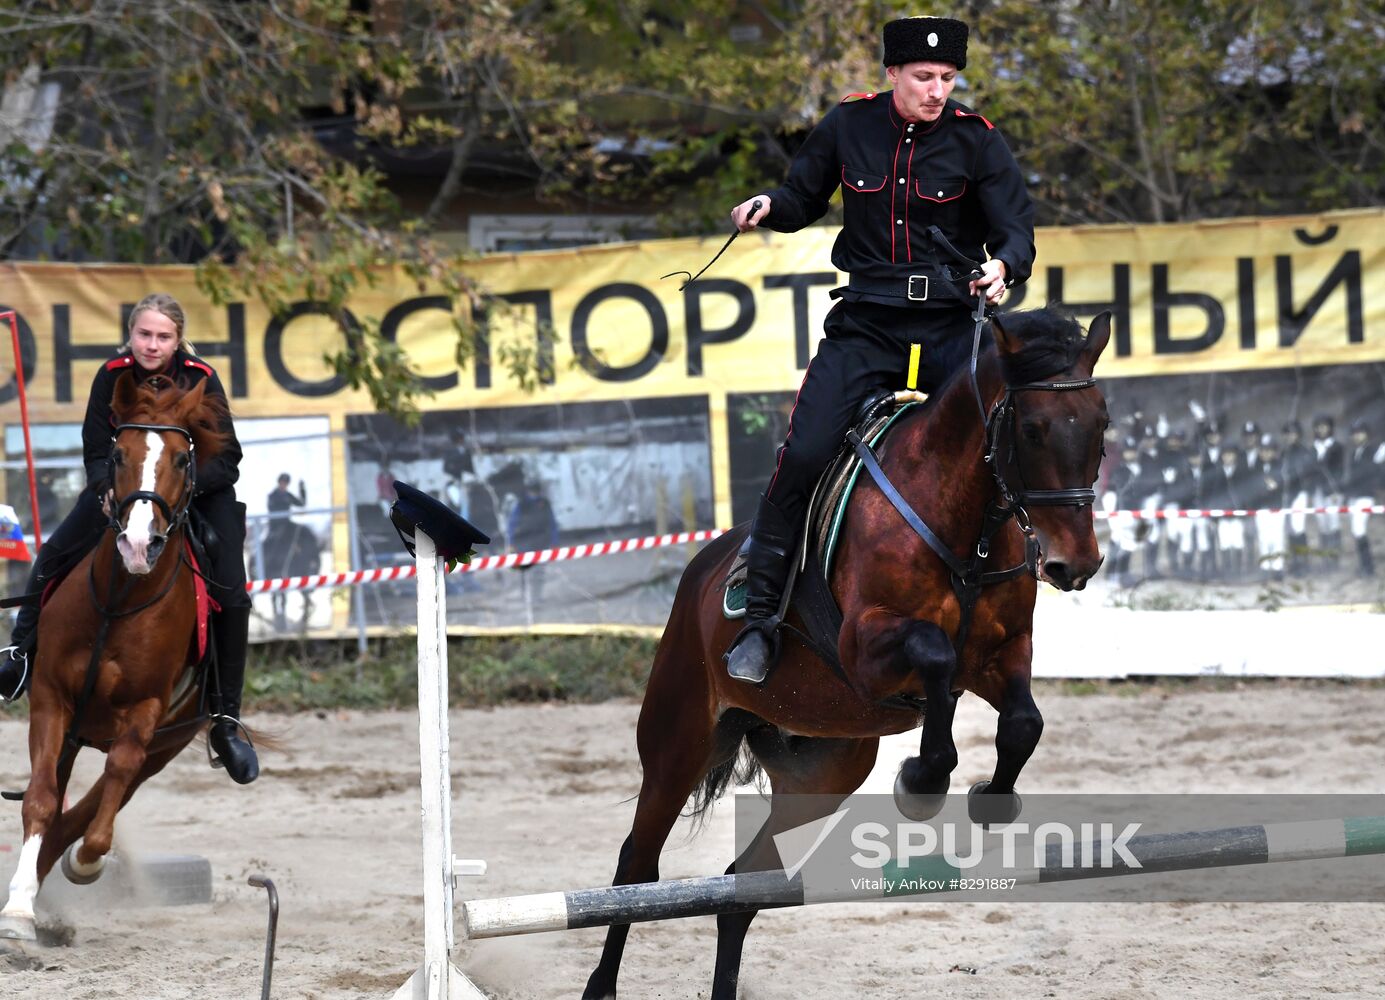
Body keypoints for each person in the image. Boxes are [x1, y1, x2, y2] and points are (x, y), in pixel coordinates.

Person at [723, 15, 1035, 682]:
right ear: (891, 73)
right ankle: (760, 618)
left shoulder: (977, 140)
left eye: (946, 78)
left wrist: (1004, 266)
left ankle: (1004, 605)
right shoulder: (847, 124)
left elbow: (1016, 230)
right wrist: (767, 205)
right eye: (923, 77)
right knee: (804, 452)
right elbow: (800, 196)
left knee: (1001, 449)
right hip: (867, 324)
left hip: (953, 324)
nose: (936, 90)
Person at [0, 293, 258, 784]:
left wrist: (179, 489)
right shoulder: (110, 374)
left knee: (233, 592)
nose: (152, 344)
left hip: (196, 491)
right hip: (121, 489)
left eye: (163, 336)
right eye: (145, 334)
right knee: (55, 552)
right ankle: (19, 655)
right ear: (131, 334)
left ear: (178, 339)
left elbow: (229, 458)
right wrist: (105, 491)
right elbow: (97, 449)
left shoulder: (201, 377)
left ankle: (225, 719)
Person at [1342, 419, 1382, 577]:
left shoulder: (1375, 450)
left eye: (1361, 433)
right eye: (1355, 434)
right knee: (1356, 530)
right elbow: (1352, 477)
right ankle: (1365, 566)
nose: (1357, 436)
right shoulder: (1354, 453)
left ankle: (1368, 567)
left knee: (1359, 528)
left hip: (1368, 495)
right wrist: (1347, 495)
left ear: (1367, 434)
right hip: (1355, 496)